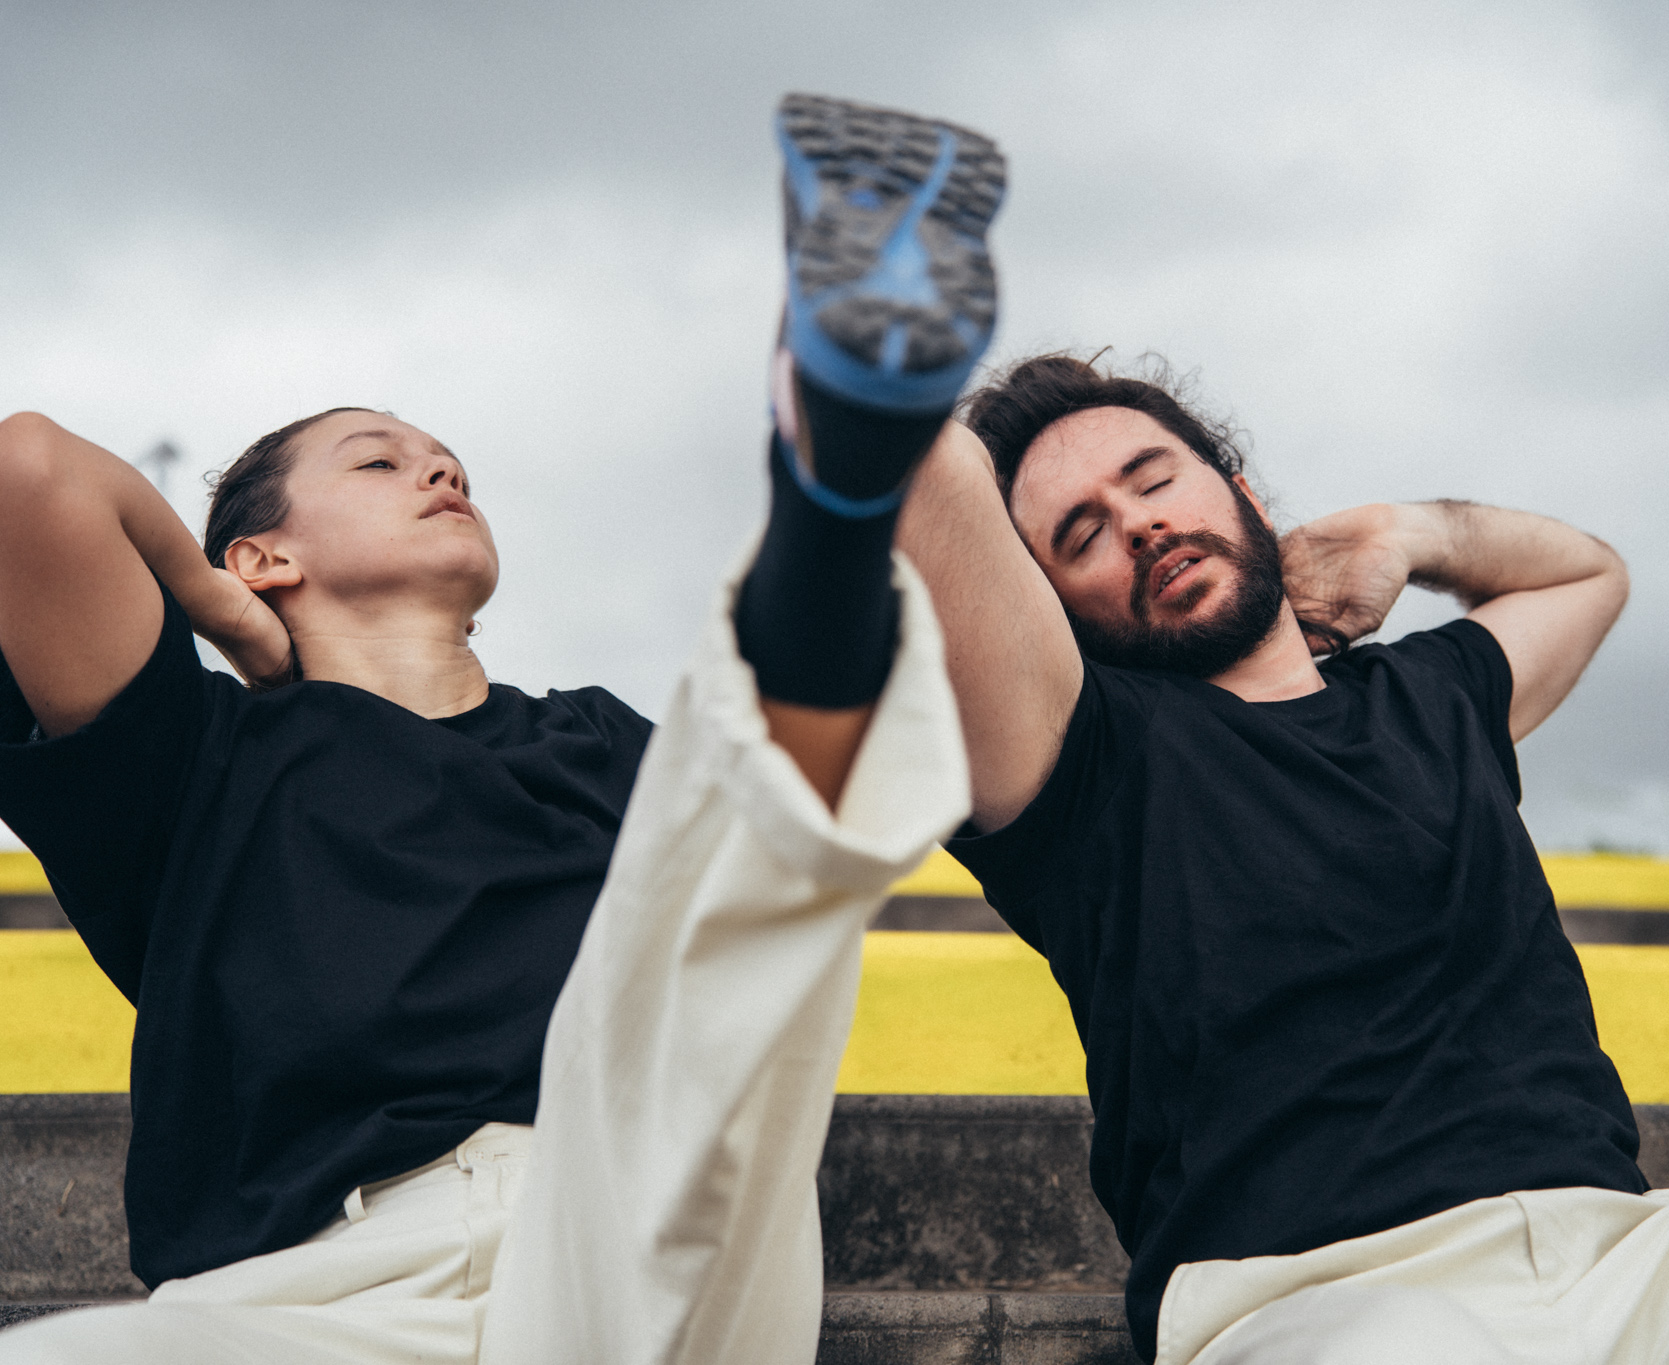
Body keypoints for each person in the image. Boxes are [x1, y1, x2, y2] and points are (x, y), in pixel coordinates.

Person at [0, 93, 1001, 1365]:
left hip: (632, 1239)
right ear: (264, 555)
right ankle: (833, 491)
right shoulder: (191, 760)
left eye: (449, 464)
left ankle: (838, 473)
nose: (440, 472)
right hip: (304, 1297)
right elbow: (27, 470)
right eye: (378, 462)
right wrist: (211, 605)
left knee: (733, 823)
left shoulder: (597, 741)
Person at [896, 357, 1669, 1365]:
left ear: (1240, 493)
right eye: (1080, 535)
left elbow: (1590, 576)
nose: (1137, 524)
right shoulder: (1079, 762)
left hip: (1636, 1269)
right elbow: (921, 479)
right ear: (1045, 609)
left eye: (1152, 479)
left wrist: (1411, 534)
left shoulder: (1432, 695)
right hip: (1327, 1303)